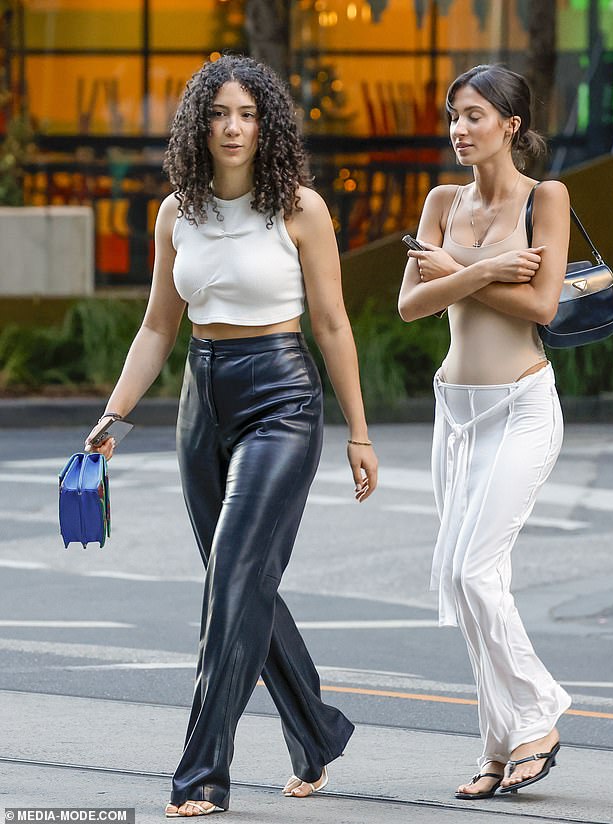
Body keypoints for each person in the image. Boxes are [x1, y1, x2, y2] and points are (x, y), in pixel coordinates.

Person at [85, 54, 378, 817]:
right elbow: (157, 326)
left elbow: (333, 323)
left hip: (281, 396)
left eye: (248, 114)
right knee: (240, 582)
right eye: (220, 114)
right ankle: (317, 730)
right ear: (199, 125)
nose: (234, 127)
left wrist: (360, 431)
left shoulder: (301, 209)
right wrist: (114, 414)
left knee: (231, 581)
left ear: (267, 123)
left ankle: (201, 773)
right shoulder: (176, 212)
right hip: (200, 397)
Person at [398, 64, 571, 800]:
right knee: (465, 584)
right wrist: (486, 267)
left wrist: (458, 266)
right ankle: (496, 744)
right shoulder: (441, 200)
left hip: (523, 407)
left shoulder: (548, 198)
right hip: (455, 414)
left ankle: (538, 717)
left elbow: (541, 306)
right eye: (453, 117)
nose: (460, 130)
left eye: (473, 116)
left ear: (510, 124)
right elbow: (411, 303)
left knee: (474, 572)